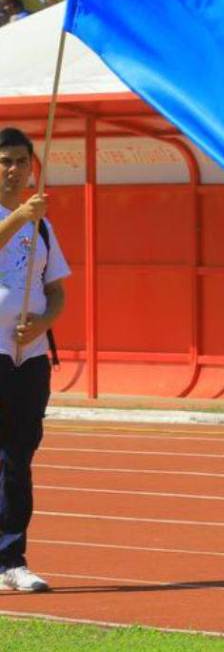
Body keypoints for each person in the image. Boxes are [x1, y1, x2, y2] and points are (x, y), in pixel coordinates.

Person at [0, 128, 70, 592]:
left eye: (21, 161)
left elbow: (57, 290)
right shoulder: (26, 215)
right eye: (5, 160)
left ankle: (12, 559)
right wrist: (19, 216)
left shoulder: (43, 225)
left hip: (31, 357)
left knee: (19, 457)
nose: (13, 169)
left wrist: (45, 322)